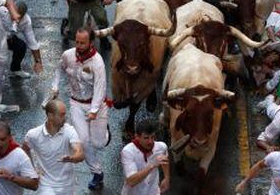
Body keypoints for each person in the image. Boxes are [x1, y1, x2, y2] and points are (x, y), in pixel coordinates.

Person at [50, 27, 110, 190]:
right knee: (83, 141)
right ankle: (97, 172)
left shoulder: (97, 61)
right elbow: (58, 68)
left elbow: (100, 87)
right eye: (77, 41)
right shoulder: (68, 55)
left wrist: (93, 111)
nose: (79, 45)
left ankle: (105, 132)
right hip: (76, 103)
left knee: (98, 143)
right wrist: (55, 86)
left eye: (83, 42)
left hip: (96, 105)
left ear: (91, 42)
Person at [23, 99, 84, 195]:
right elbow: (25, 149)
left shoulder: (70, 131)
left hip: (67, 185)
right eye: (62, 115)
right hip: (46, 185)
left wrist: (71, 158)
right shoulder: (33, 134)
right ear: (50, 116)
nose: (65, 117)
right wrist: (32, 170)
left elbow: (80, 153)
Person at [121, 120, 170, 194]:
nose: (150, 141)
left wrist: (167, 178)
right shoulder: (128, 151)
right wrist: (152, 165)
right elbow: (131, 181)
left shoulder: (161, 147)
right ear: (137, 136)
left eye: (152, 137)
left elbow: (165, 160)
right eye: (146, 138)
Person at [0, 1, 43, 79]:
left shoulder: (26, 21)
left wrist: (38, 62)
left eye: (20, 18)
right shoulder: (1, 10)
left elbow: (32, 42)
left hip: (8, 37)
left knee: (21, 46)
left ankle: (15, 69)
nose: (17, 20)